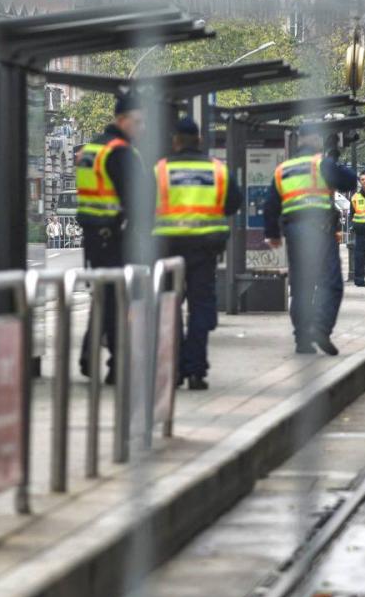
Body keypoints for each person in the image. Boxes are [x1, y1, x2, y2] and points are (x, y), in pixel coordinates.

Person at [153, 117, 242, 390]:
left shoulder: (161, 170)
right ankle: (196, 371)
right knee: (201, 306)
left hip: (169, 248)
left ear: (175, 141)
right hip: (205, 249)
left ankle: (175, 369)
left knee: (169, 307)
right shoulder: (217, 169)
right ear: (199, 140)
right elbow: (233, 203)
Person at [264, 124, 358, 355]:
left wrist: (273, 235)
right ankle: (321, 328)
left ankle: (302, 341)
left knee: (300, 286)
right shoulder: (321, 164)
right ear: (315, 139)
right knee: (331, 283)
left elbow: (270, 206)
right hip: (320, 232)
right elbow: (350, 181)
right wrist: (333, 159)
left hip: (294, 232)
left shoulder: (283, 169)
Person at [75, 89, 149, 381]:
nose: (142, 128)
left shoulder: (92, 148)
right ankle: (117, 365)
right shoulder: (120, 152)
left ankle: (88, 355)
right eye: (138, 122)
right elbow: (136, 198)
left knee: (104, 297)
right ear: (122, 119)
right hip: (114, 235)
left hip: (93, 237)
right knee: (119, 299)